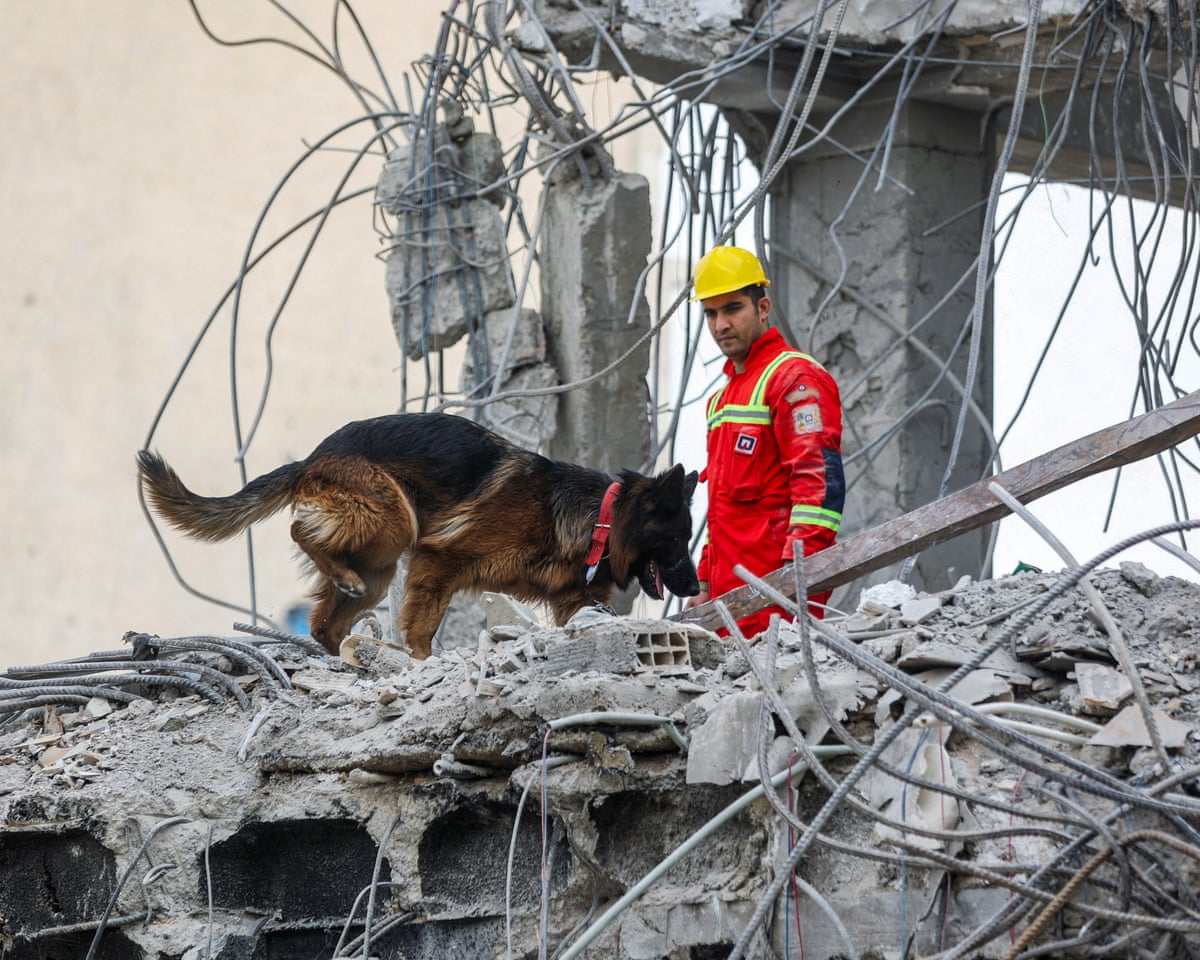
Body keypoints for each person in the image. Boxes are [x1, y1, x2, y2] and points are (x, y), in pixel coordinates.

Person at [684, 245, 845, 636]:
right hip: (729, 606)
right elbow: (721, 508)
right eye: (710, 312)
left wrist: (797, 580)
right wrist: (704, 583)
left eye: (732, 308)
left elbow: (818, 490)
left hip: (778, 604)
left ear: (762, 307)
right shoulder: (721, 401)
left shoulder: (794, 379)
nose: (720, 324)